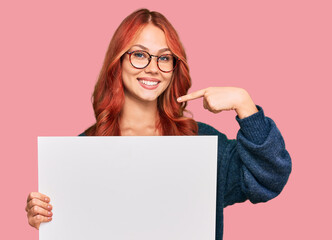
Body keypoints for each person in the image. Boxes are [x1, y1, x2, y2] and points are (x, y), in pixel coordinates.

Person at [25, 8, 292, 240]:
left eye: (164, 58)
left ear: (175, 68)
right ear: (117, 63)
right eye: (140, 55)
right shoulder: (82, 151)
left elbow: (270, 178)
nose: (153, 68)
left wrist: (245, 105)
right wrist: (48, 219)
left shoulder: (201, 144)